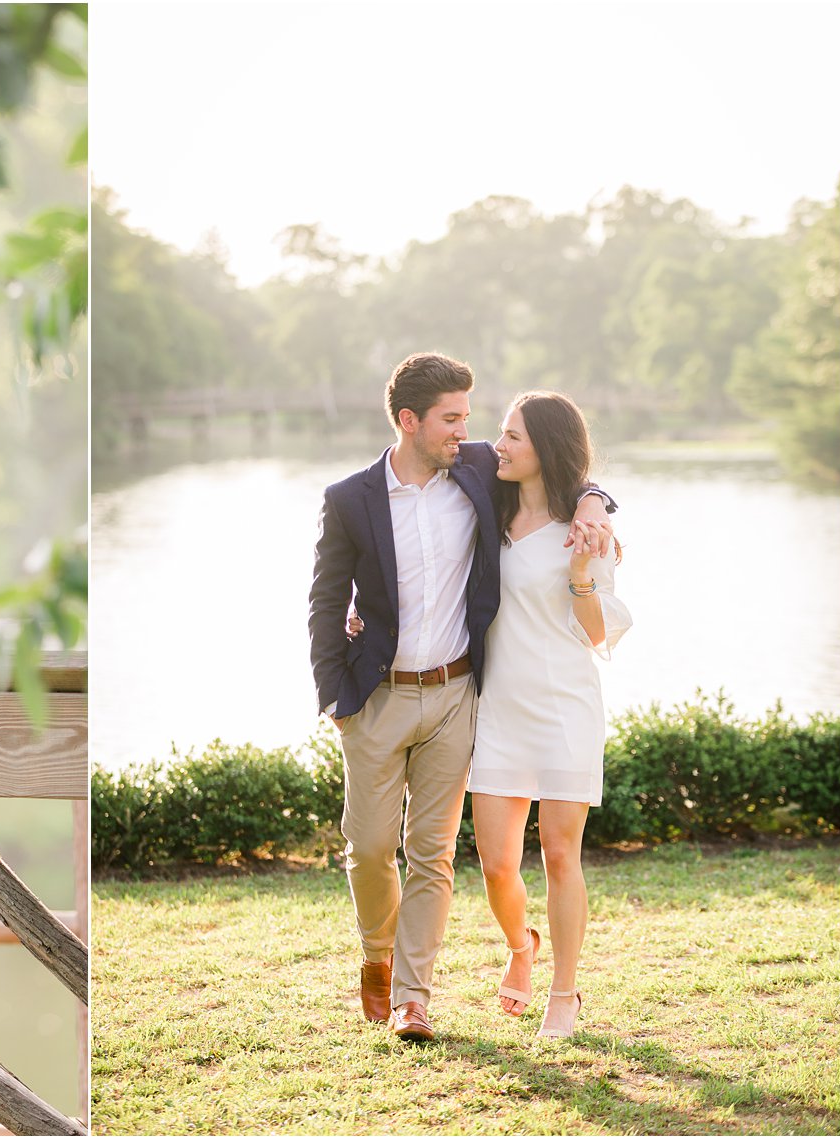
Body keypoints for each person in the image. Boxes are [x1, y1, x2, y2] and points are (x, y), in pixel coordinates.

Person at [307, 352, 614, 1044]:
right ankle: (377, 953)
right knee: (371, 846)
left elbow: (568, 466)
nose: (468, 432)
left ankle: (415, 998)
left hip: (456, 693)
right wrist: (335, 692)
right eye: (452, 419)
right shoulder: (351, 497)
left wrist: (596, 502)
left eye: (472, 420)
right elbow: (325, 601)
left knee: (434, 851)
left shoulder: (476, 471)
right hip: (377, 697)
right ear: (410, 421)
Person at [468, 391, 631, 1039]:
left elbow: (598, 634)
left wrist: (582, 570)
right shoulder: (490, 496)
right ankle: (520, 945)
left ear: (546, 449)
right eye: (502, 433)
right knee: (498, 863)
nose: (498, 445)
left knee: (562, 854)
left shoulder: (586, 529)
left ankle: (564, 992)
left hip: (566, 705)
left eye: (513, 437)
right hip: (498, 708)